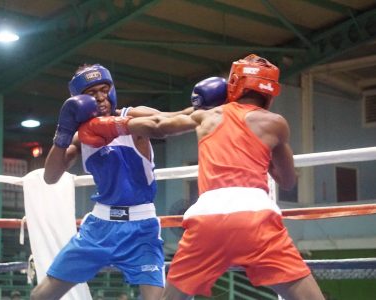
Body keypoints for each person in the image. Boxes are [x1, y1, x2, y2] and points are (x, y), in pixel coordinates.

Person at [77, 55, 325, 300]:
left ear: (234, 84)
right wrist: (267, 152)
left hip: (206, 220)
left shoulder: (207, 116)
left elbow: (160, 124)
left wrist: (103, 125)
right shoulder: (276, 123)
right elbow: (288, 180)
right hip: (257, 219)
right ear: (270, 92)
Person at [30, 64, 193, 300]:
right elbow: (50, 176)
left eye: (104, 89)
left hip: (141, 227)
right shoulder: (79, 137)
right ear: (78, 100)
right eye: (91, 93)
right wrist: (62, 134)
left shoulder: (133, 117)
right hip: (99, 227)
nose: (100, 97)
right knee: (40, 296)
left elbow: (171, 119)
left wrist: (206, 109)